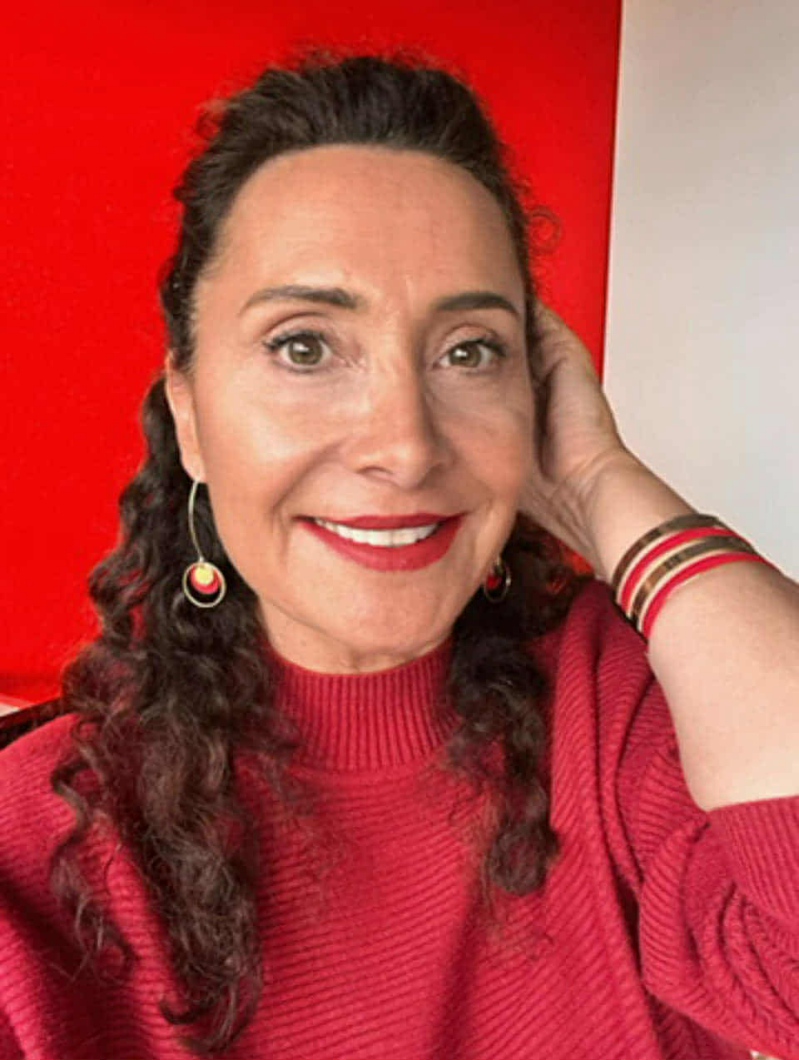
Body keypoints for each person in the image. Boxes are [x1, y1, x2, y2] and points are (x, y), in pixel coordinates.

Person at [1, 49, 798, 1060]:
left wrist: (603, 485)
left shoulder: (628, 704)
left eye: (468, 351)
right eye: (303, 346)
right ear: (190, 416)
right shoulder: (40, 843)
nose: (407, 445)